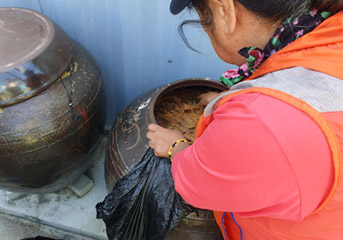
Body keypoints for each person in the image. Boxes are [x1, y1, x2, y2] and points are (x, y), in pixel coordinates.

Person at [147, 0, 343, 239]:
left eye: (203, 20)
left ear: (223, 9)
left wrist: (176, 147)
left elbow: (196, 182)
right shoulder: (330, 30)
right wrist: (238, 94)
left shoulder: (258, 122)